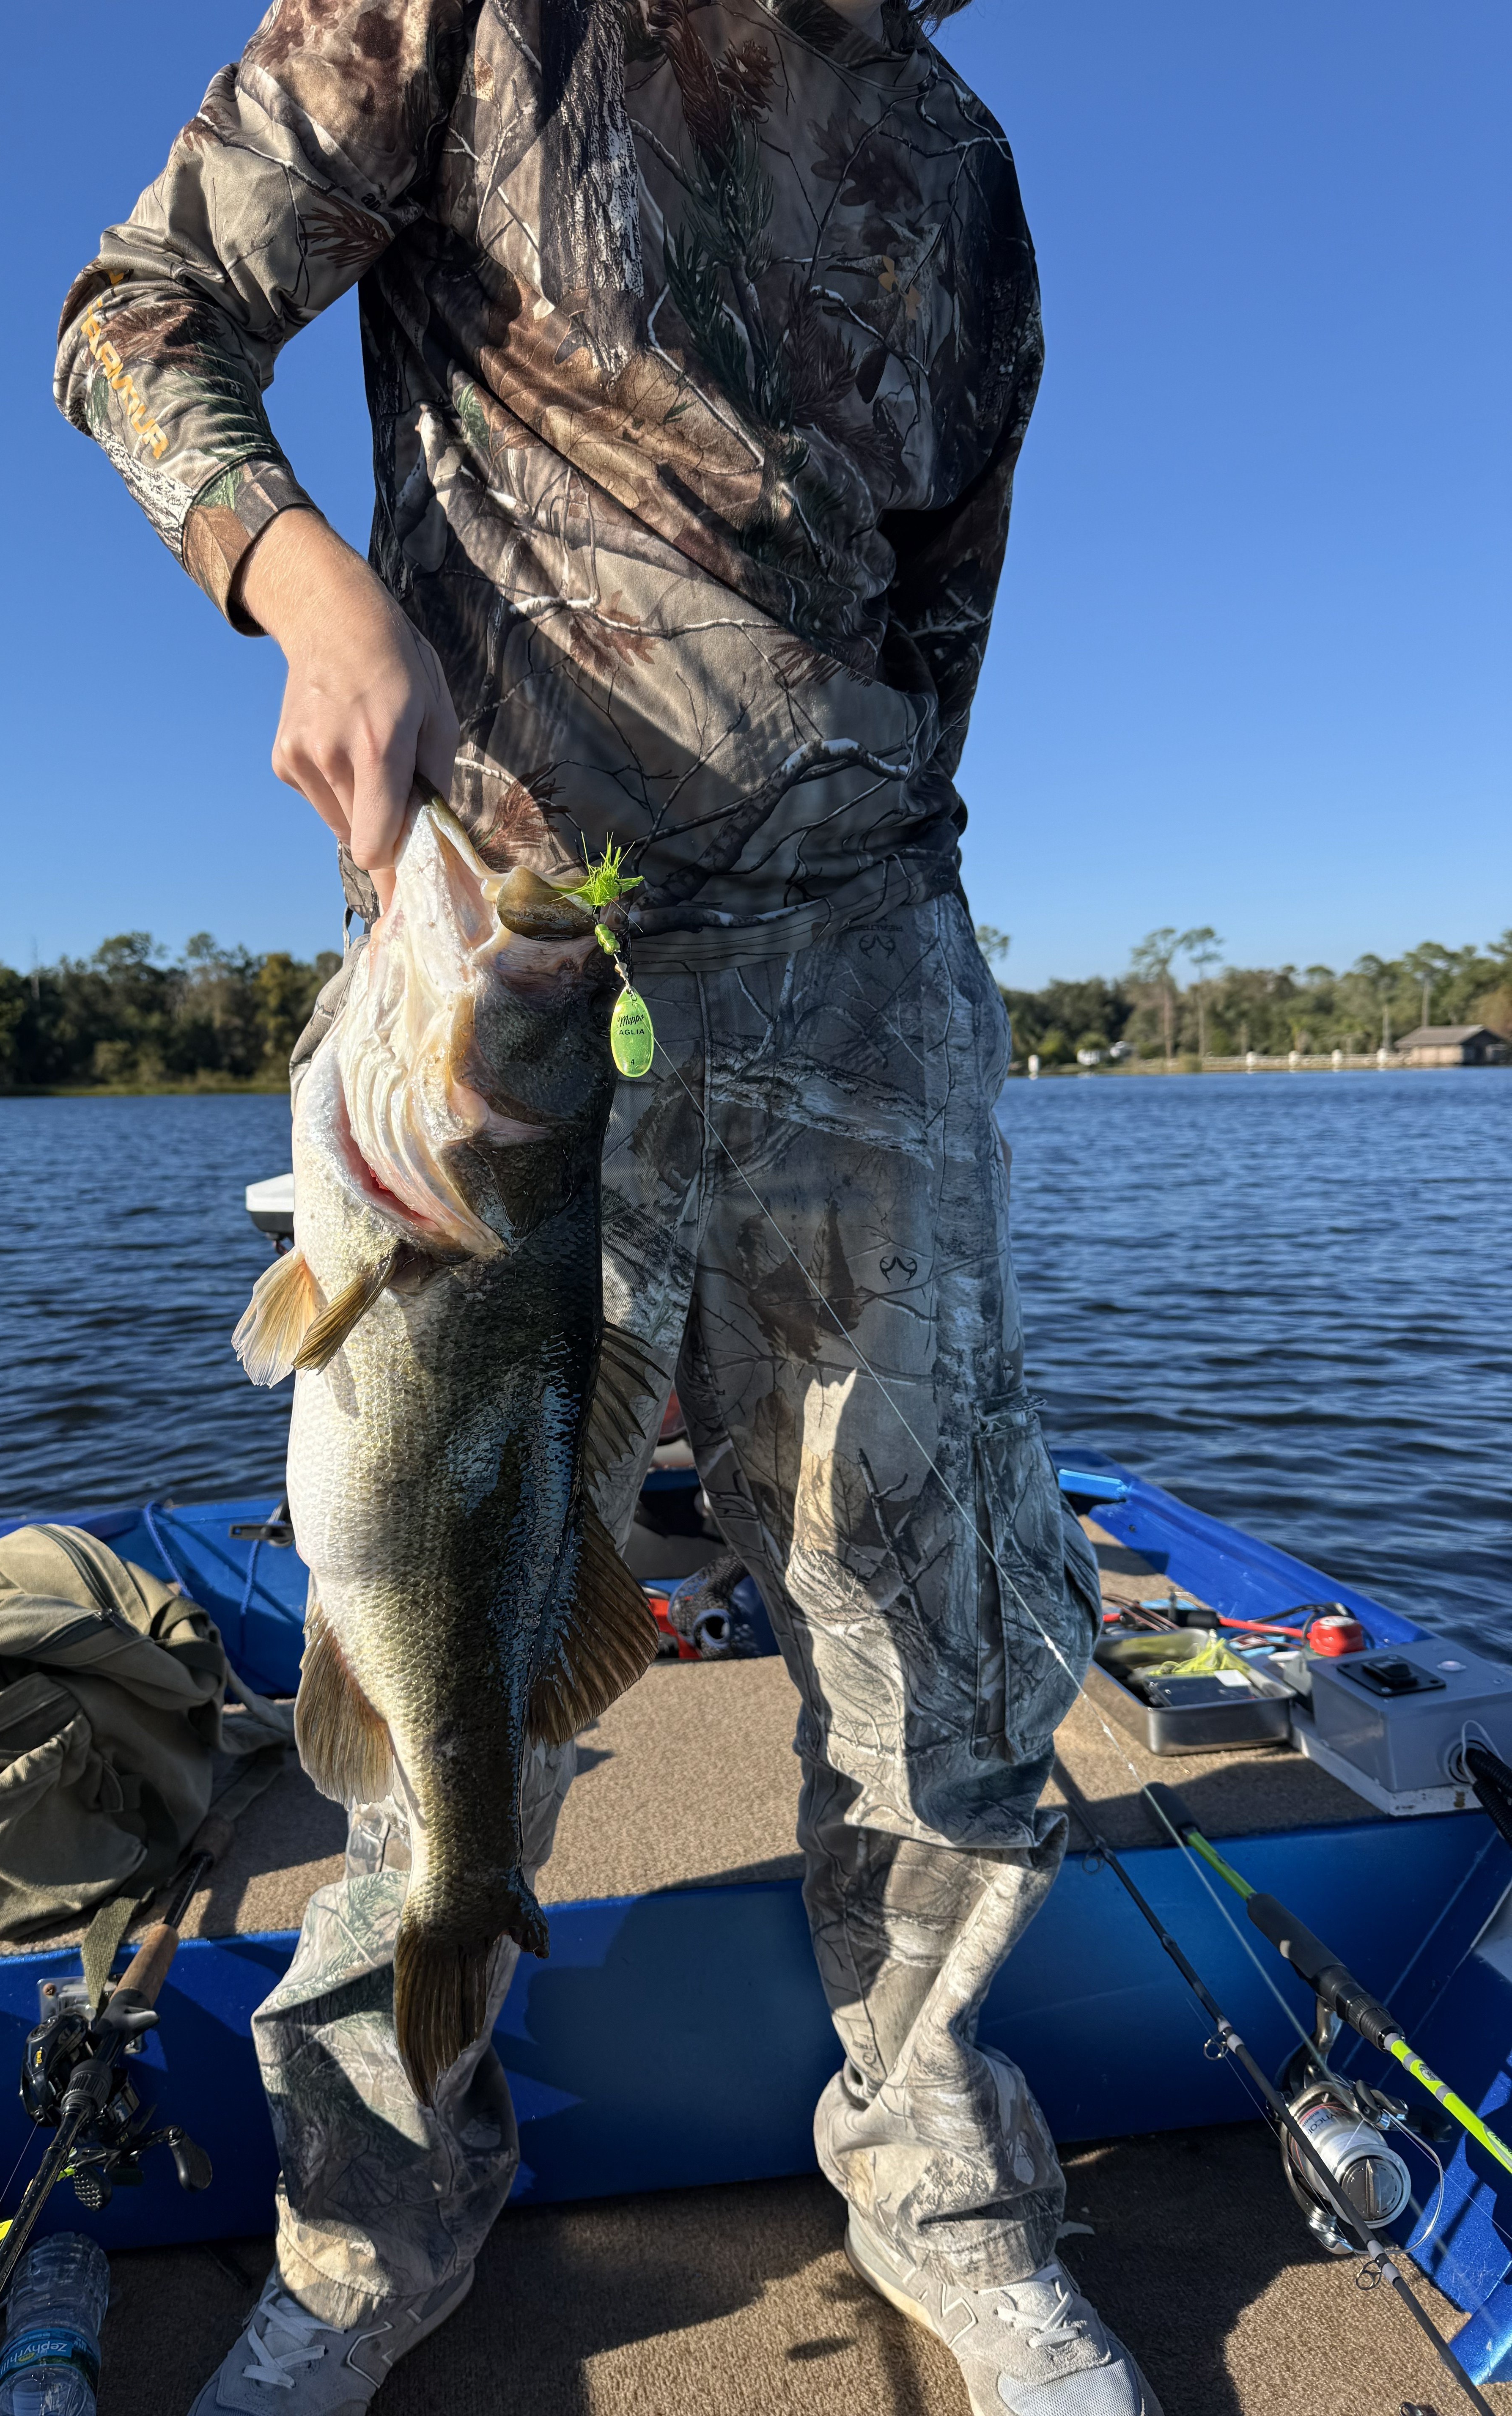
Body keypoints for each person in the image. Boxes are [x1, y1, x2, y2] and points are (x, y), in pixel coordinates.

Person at [55, 0, 1155, 2407]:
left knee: (945, 1643)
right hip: (514, 958)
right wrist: (306, 587)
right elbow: (137, 312)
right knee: (443, 1628)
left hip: (869, 969)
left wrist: (864, 908)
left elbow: (939, 620)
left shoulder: (958, 160)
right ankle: (366, 2241)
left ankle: (948, 2189)